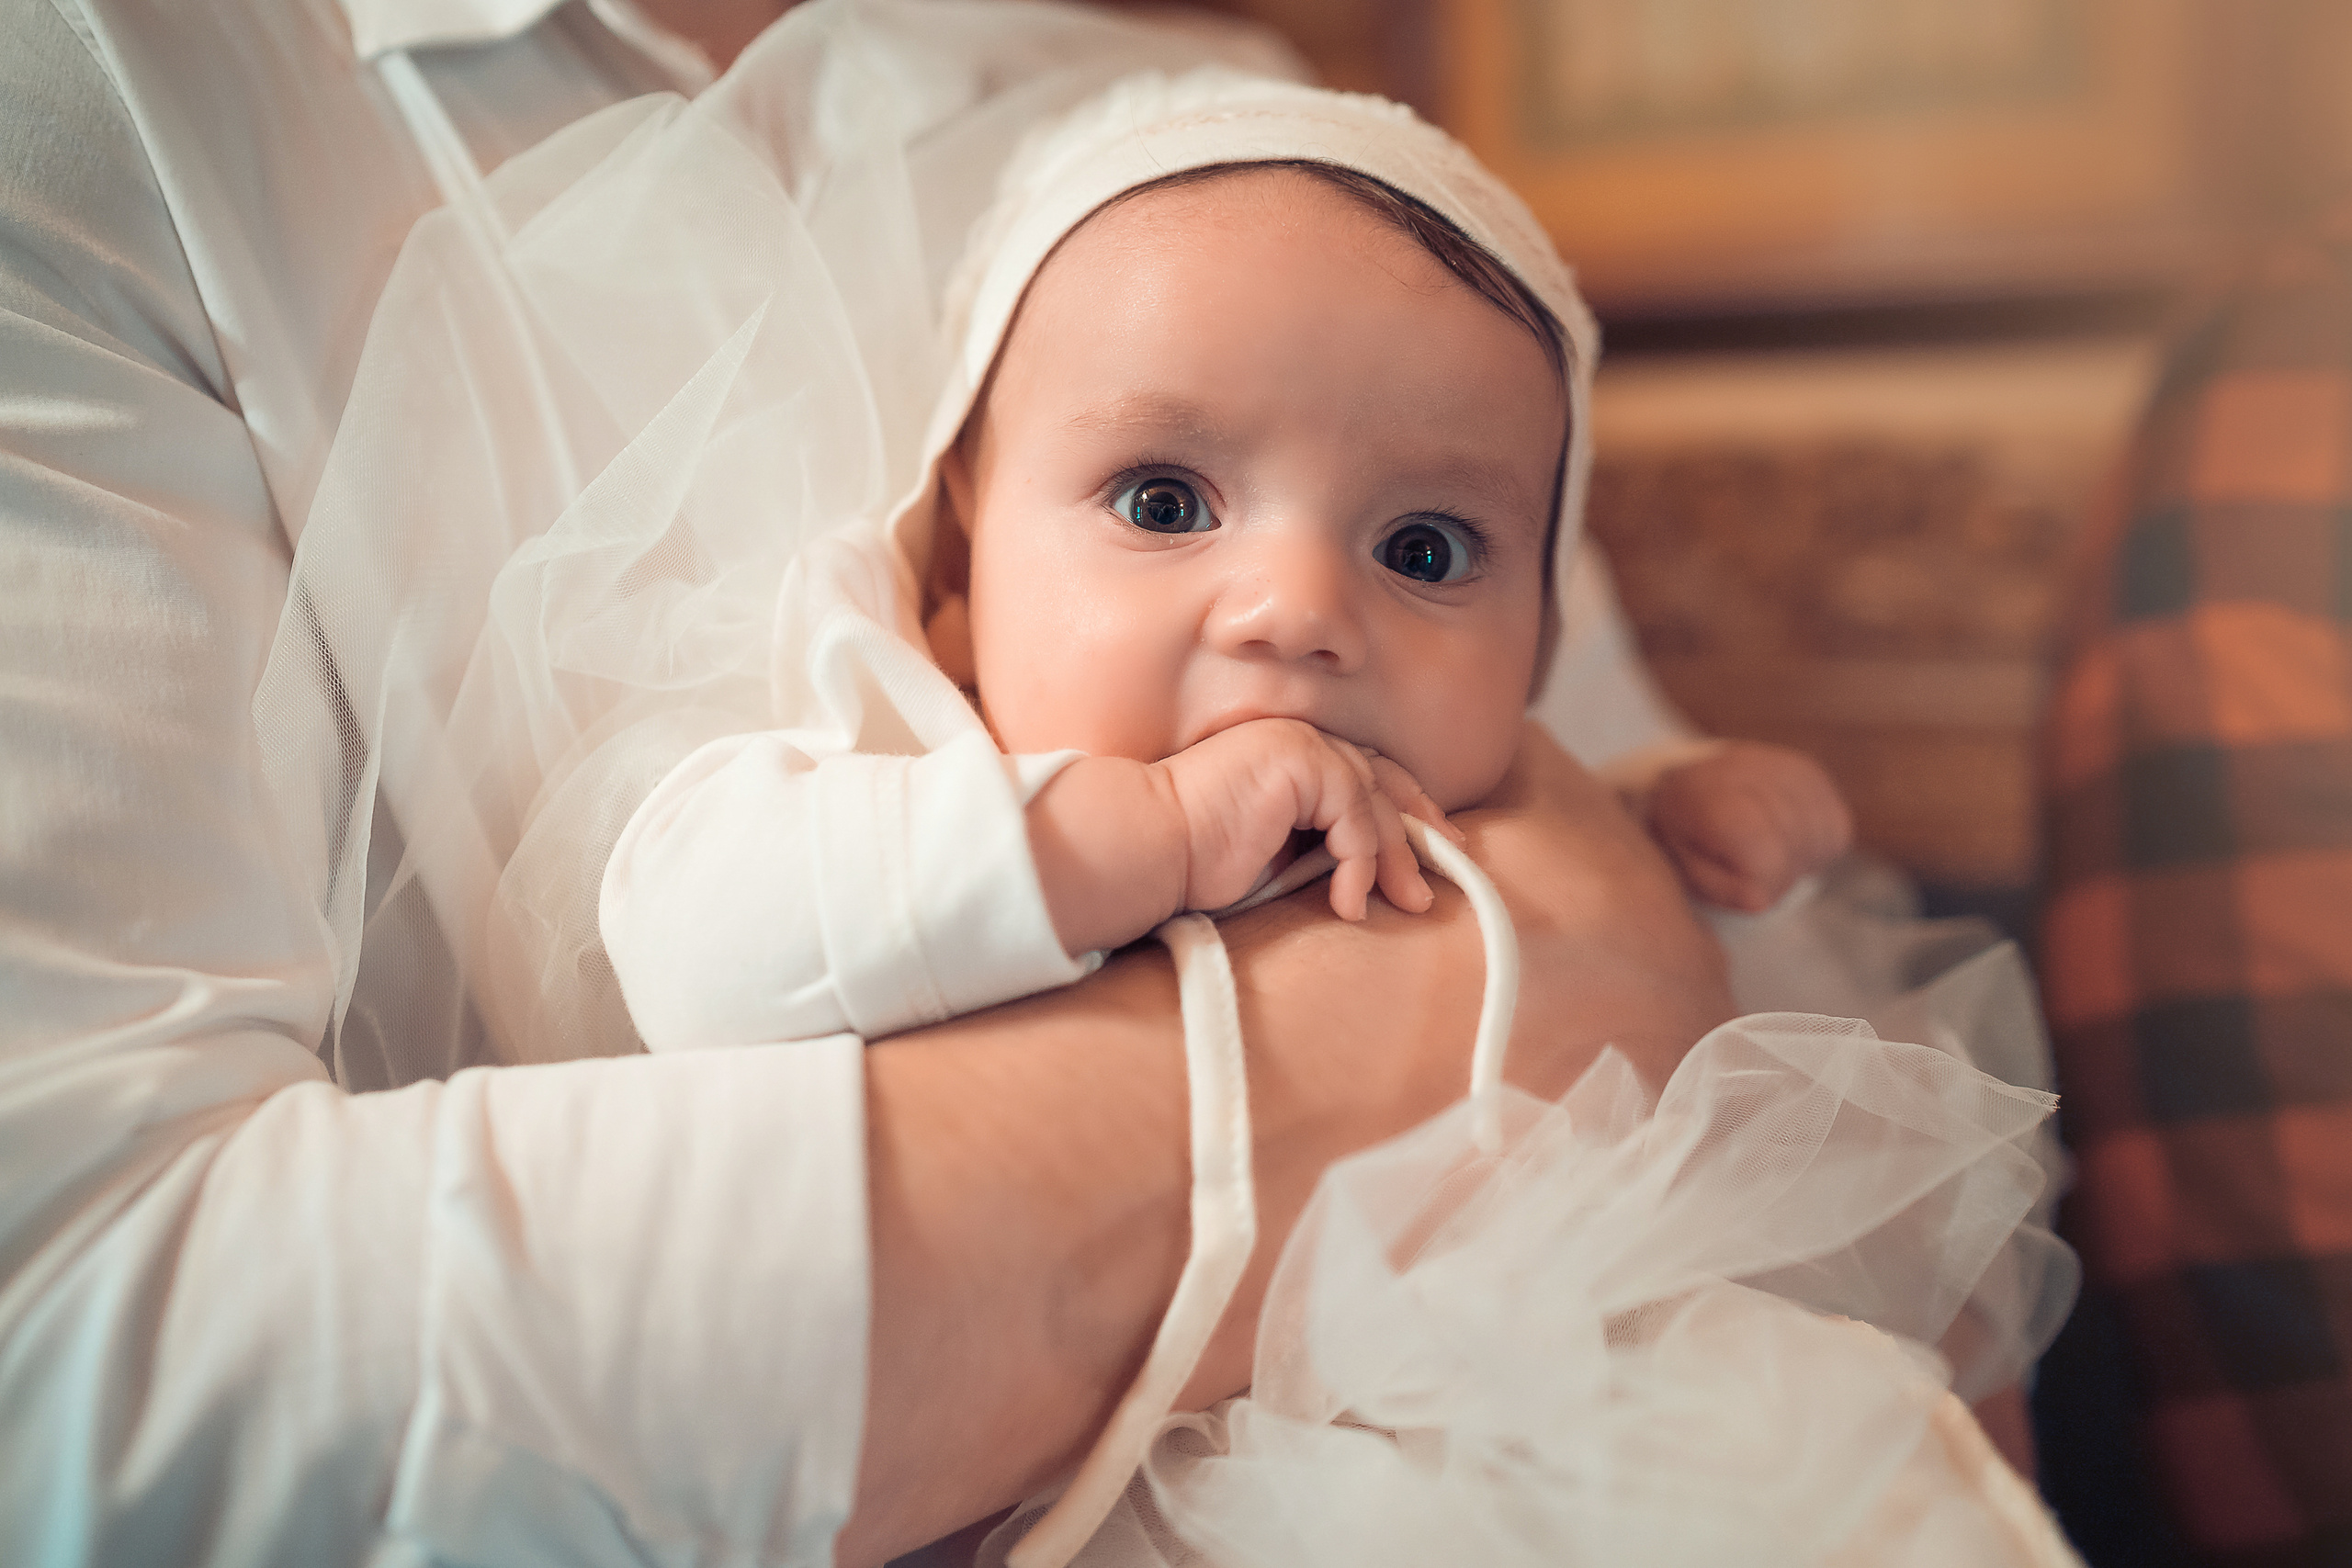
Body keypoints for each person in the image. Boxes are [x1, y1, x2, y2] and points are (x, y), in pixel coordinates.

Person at [259, 13, 2075, 1562]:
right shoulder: (915, 742)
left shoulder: (1463, 772)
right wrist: (1131, 836)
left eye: (1426, 545)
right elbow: (694, 940)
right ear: (958, 563)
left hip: (1502, 1407)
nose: (1296, 609)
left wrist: (1659, 809)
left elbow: (1561, 844)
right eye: (1161, 501)